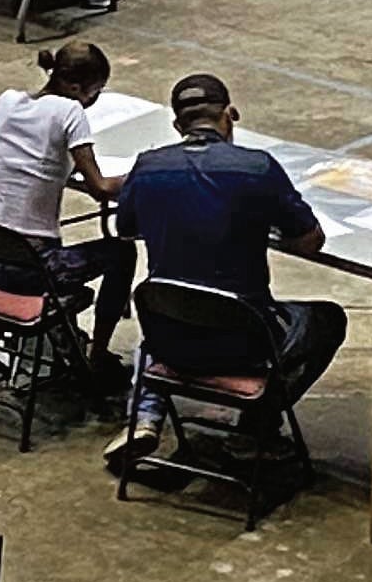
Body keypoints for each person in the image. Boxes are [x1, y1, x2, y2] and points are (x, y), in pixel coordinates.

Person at [117, 71, 344, 422]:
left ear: (178, 125)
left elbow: (127, 229)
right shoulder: (257, 167)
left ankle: (148, 415)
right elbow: (310, 241)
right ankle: (258, 425)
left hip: (168, 337)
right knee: (327, 319)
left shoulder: (147, 167)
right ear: (230, 115)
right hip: (243, 344)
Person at [0, 40, 133, 370]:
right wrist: (145, 173)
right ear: (76, 87)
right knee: (122, 253)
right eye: (95, 91)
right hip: (34, 267)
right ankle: (98, 357)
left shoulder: (6, 101)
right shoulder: (70, 111)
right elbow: (100, 188)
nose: (95, 99)